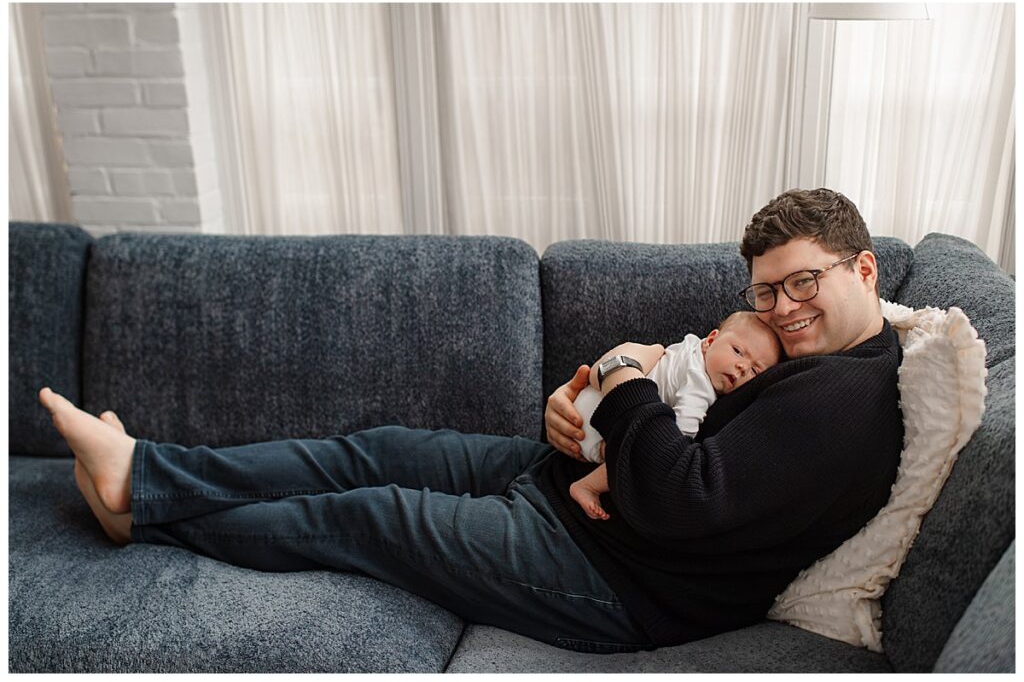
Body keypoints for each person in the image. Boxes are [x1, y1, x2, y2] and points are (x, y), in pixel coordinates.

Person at [39, 188, 903, 652]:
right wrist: (587, 406)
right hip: (566, 490)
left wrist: (622, 371)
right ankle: (149, 470)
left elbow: (685, 496)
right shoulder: (815, 360)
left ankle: (140, 516)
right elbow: (691, 404)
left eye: (803, 282)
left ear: (862, 269)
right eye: (765, 288)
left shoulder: (846, 399)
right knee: (375, 449)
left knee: (365, 516)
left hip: (613, 578)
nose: (782, 308)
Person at [569, 311, 782, 520]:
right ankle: (587, 486)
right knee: (641, 460)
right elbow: (675, 442)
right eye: (737, 351)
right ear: (711, 339)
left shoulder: (690, 345)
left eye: (755, 371)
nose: (743, 367)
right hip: (595, 429)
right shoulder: (700, 385)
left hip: (584, 401)